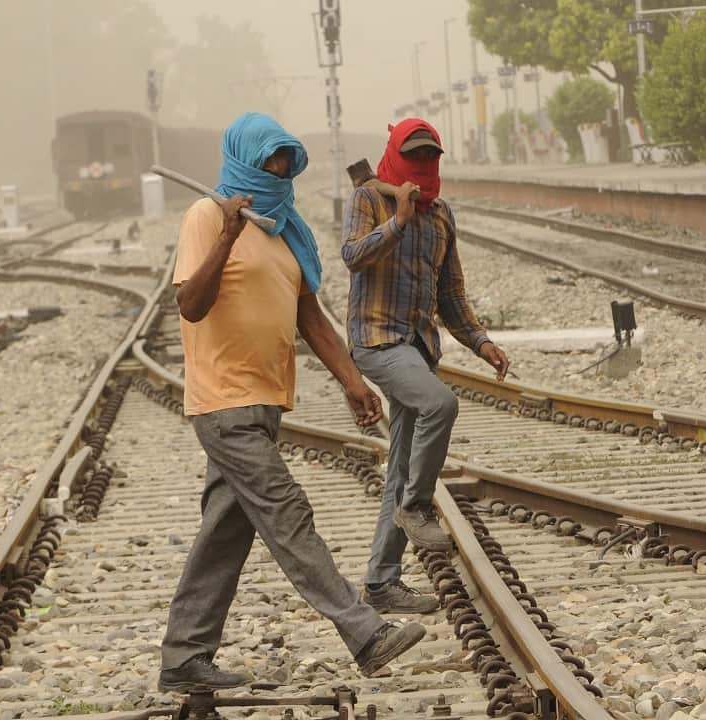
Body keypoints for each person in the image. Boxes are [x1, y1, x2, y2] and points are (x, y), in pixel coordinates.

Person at [158, 113, 425, 693]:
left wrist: (353, 382)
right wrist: (228, 233)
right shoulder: (207, 216)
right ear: (242, 161)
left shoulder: (281, 228)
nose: (278, 170)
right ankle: (364, 631)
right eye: (267, 160)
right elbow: (191, 304)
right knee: (287, 512)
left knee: (225, 531)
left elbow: (311, 317)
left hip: (265, 401)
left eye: (285, 161)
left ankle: (184, 658)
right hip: (224, 402)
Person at [342, 118, 510, 614]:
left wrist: (481, 342)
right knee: (441, 403)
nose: (421, 165)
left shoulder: (440, 216)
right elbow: (352, 256)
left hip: (417, 347)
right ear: (394, 155)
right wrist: (397, 216)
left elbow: (450, 293)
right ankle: (417, 507)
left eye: (429, 157)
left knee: (399, 466)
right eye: (412, 156)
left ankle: (381, 582)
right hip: (376, 340)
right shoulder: (369, 199)